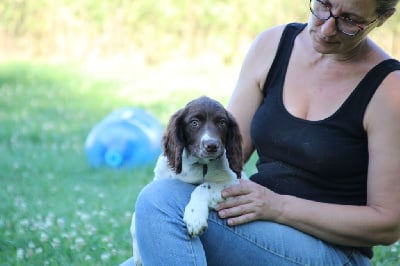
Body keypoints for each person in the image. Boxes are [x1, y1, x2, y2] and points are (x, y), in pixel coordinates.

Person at [122, 0, 400, 265]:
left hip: (332, 252)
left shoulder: (390, 90)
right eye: (323, 5)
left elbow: (387, 224)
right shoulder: (271, 46)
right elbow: (228, 154)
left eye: (350, 20)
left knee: (159, 202)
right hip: (256, 227)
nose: (327, 28)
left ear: (383, 18)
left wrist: (278, 206)